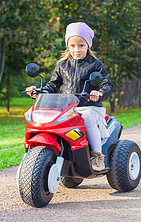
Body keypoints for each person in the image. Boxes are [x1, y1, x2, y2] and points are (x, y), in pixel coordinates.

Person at [26, 22, 114, 171]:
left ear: (88, 46)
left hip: (89, 108)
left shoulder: (95, 64)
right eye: (72, 46)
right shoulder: (62, 65)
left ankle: (97, 155)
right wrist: (39, 92)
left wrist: (99, 93)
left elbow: (107, 85)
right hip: (67, 108)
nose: (76, 49)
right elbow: (52, 85)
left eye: (81, 45)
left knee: (88, 119)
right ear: (67, 46)